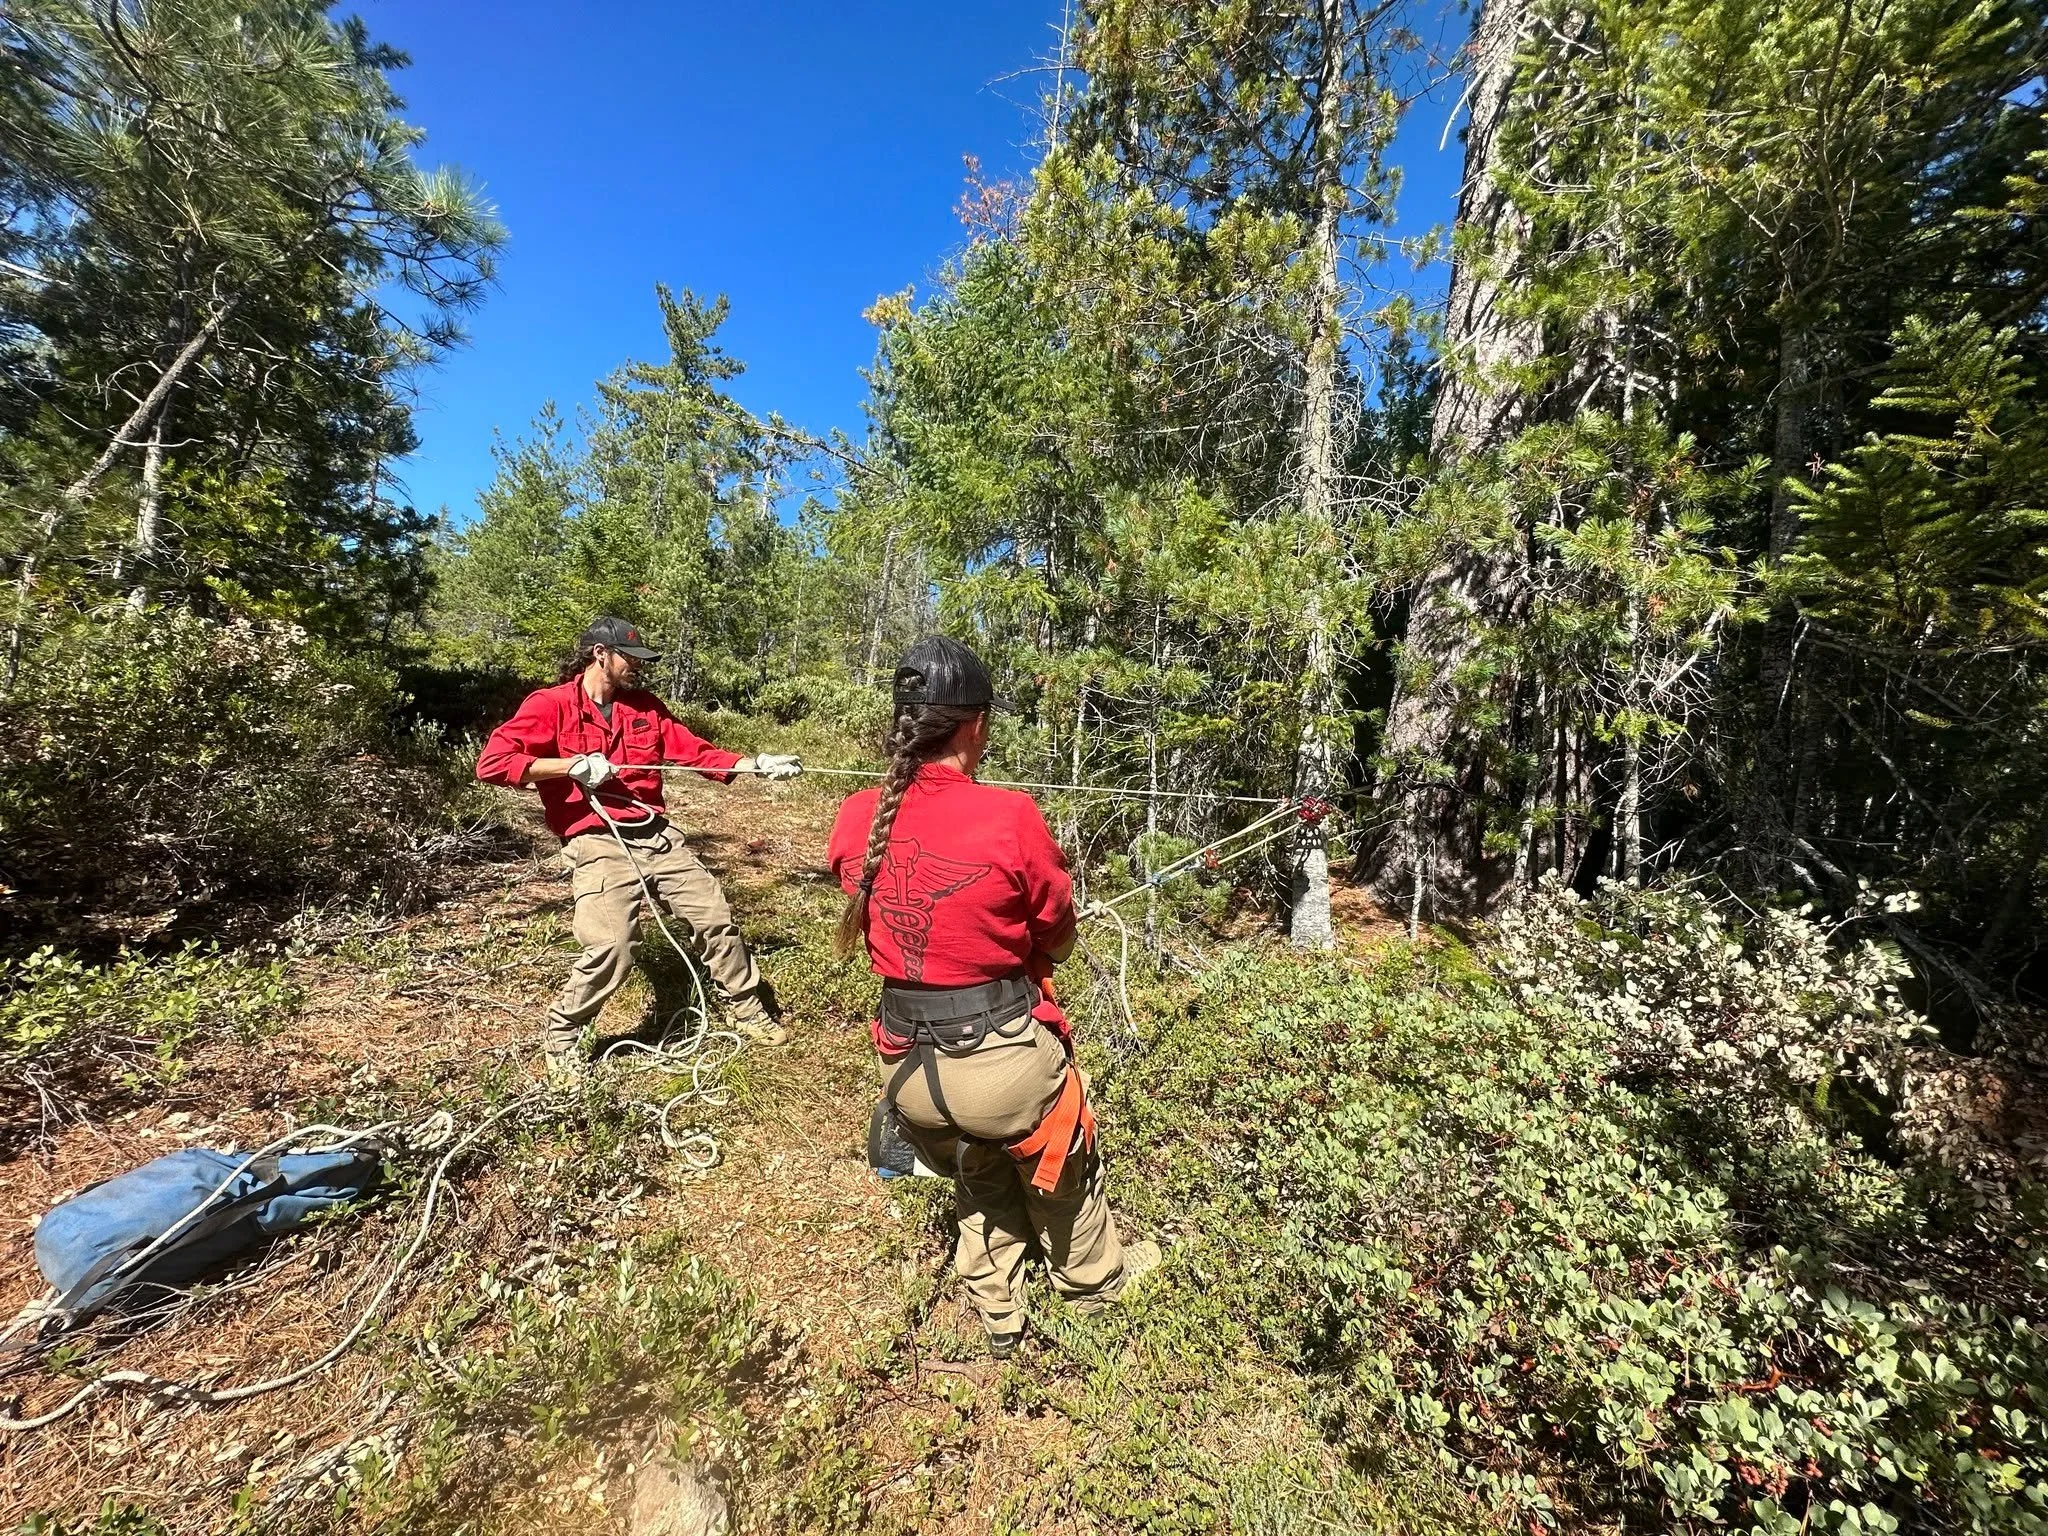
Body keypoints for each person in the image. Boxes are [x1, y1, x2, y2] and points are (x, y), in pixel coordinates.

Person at [826, 634, 1157, 1357]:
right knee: (1061, 1153)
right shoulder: (1009, 815)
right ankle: (1094, 1282)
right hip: (998, 1064)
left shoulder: (857, 813)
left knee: (978, 1157)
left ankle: (994, 1298)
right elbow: (1058, 935)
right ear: (976, 725)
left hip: (905, 1072)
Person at [476, 616, 802, 1076]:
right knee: (614, 945)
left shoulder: (645, 707)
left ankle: (746, 1007)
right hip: (595, 837)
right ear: (600, 655)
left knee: (715, 916)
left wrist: (756, 764)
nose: (638, 668)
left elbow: (698, 753)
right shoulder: (550, 705)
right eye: (630, 658)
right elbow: (493, 763)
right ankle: (563, 1035)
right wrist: (569, 767)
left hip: (654, 833)